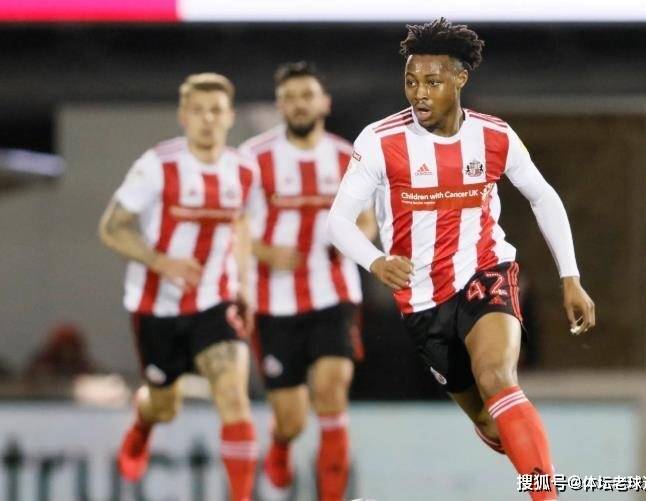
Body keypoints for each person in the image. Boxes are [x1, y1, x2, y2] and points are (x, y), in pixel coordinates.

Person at [327, 19, 596, 501]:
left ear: (459, 79)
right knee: (492, 422)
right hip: (422, 301)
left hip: (485, 274)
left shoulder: (495, 136)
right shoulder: (380, 141)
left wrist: (570, 277)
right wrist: (375, 261)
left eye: (432, 82)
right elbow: (339, 221)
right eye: (411, 81)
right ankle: (523, 449)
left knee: (497, 377)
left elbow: (543, 197)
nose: (419, 93)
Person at [98, 73, 257, 501]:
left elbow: (242, 223)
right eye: (198, 111)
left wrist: (244, 284)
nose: (208, 119)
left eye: (216, 110)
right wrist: (160, 261)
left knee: (233, 397)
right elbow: (112, 228)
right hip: (157, 306)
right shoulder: (157, 165)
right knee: (165, 407)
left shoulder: (244, 170)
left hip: (215, 300)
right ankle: (142, 423)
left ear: (230, 116)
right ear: (183, 116)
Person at [239, 62, 376, 501]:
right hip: (274, 302)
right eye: (290, 98)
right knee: (293, 418)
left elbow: (369, 219)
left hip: (334, 294)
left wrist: (353, 239)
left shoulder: (348, 157)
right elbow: (231, 225)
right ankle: (281, 443)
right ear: (280, 106)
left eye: (307, 96)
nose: (299, 105)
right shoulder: (253, 158)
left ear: (324, 103)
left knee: (331, 392)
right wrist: (264, 251)